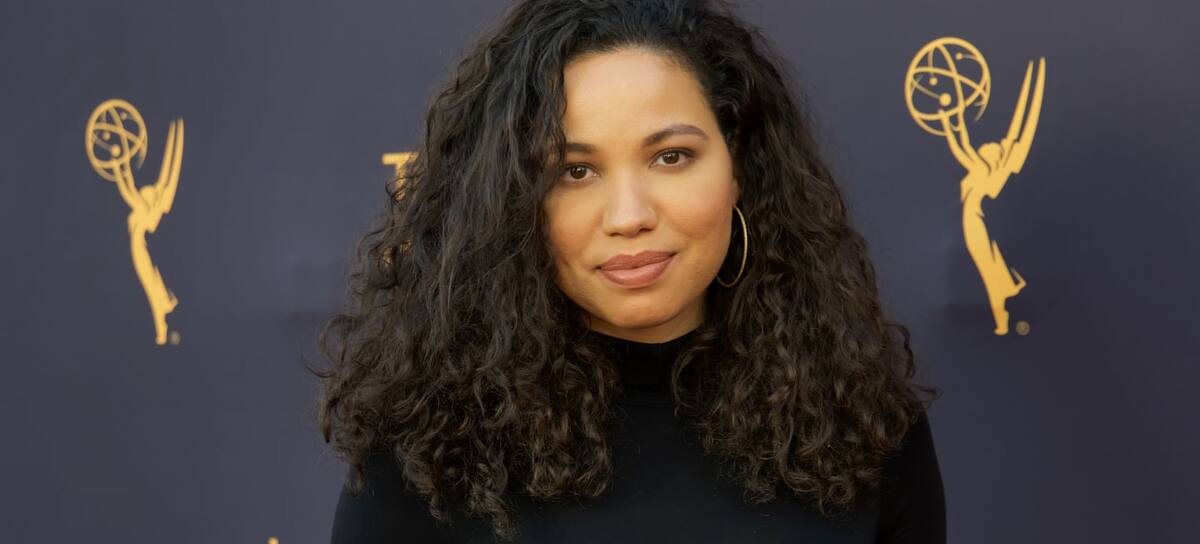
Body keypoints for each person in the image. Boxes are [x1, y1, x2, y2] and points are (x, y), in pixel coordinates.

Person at [312, 0, 944, 542]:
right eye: (575, 171)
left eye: (671, 157)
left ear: (740, 168)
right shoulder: (426, 455)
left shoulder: (863, 424)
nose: (629, 215)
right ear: (510, 203)